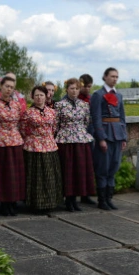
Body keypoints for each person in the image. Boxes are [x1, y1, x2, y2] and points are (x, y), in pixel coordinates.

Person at [20, 85, 62, 213]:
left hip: (49, 146)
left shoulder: (52, 112)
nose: (39, 98)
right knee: (36, 177)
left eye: (41, 95)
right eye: (36, 95)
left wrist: (47, 138)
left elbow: (54, 128)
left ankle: (50, 202)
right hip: (33, 146)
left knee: (49, 175)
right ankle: (35, 203)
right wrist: (34, 138)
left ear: (46, 96)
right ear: (32, 97)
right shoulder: (28, 113)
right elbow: (23, 129)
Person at [55, 78, 95, 212]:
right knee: (68, 171)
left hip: (81, 141)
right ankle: (68, 200)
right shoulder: (59, 105)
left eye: (77, 89)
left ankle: (76, 200)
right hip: (65, 141)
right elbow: (56, 123)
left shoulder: (84, 105)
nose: (74, 91)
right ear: (67, 89)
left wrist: (78, 132)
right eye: (72, 88)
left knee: (79, 171)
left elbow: (87, 121)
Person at [0, 75, 25, 216]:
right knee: (3, 174)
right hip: (0, 142)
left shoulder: (16, 105)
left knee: (14, 174)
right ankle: (3, 204)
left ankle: (13, 202)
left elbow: (20, 122)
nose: (9, 89)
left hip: (15, 141)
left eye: (12, 87)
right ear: (1, 87)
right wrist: (1, 132)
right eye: (7, 86)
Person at [90, 67, 127, 210]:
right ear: (105, 77)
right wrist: (101, 138)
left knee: (113, 168)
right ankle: (102, 200)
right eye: (112, 76)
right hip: (105, 135)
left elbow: (122, 118)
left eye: (117, 77)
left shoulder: (119, 96)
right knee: (102, 169)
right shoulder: (98, 95)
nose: (115, 79)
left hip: (117, 135)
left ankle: (109, 198)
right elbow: (96, 118)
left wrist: (123, 137)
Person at [78, 73, 97, 205]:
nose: (87, 89)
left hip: (90, 132)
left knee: (89, 166)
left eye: (89, 86)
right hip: (77, 134)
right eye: (85, 86)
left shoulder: (91, 99)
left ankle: (86, 194)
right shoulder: (74, 98)